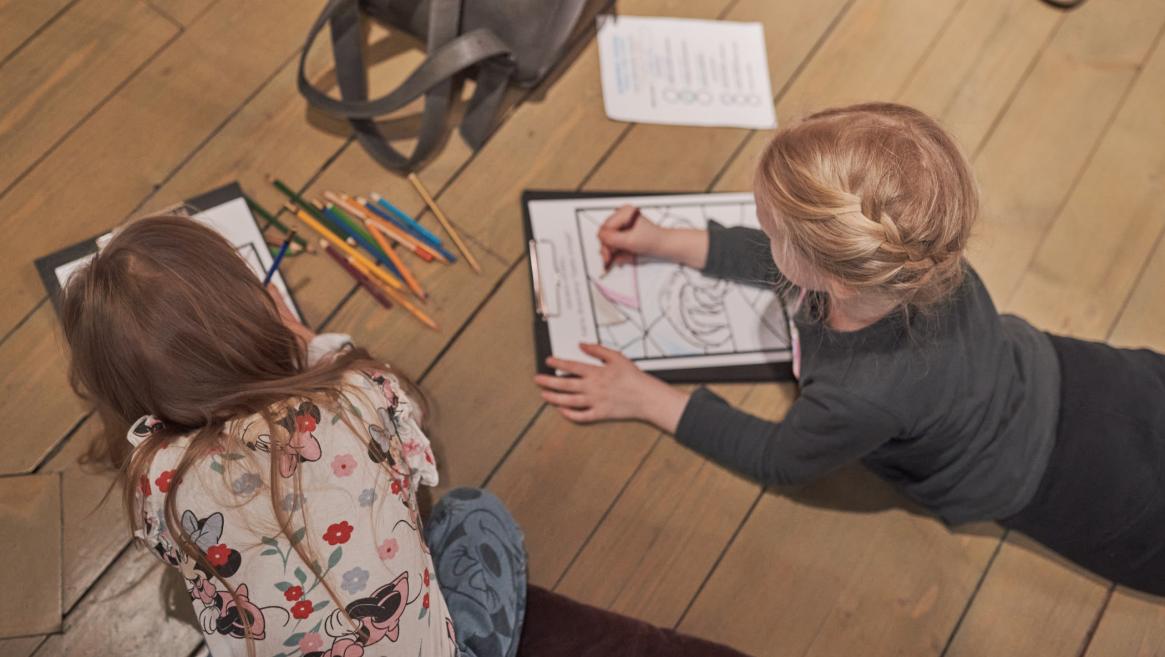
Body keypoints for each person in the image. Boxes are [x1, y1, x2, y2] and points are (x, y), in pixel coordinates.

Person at [534, 102, 1165, 595]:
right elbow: (793, 260)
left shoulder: (859, 393)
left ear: (829, 275)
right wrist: (667, 241)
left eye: (770, 230)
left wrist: (646, 397)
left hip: (1035, 477)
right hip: (1078, 375)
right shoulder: (923, 254)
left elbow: (779, 459)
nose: (764, 235)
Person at [61, 216, 527, 657]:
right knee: (471, 508)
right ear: (258, 311)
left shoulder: (157, 479)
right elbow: (410, 417)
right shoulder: (357, 395)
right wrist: (310, 342)